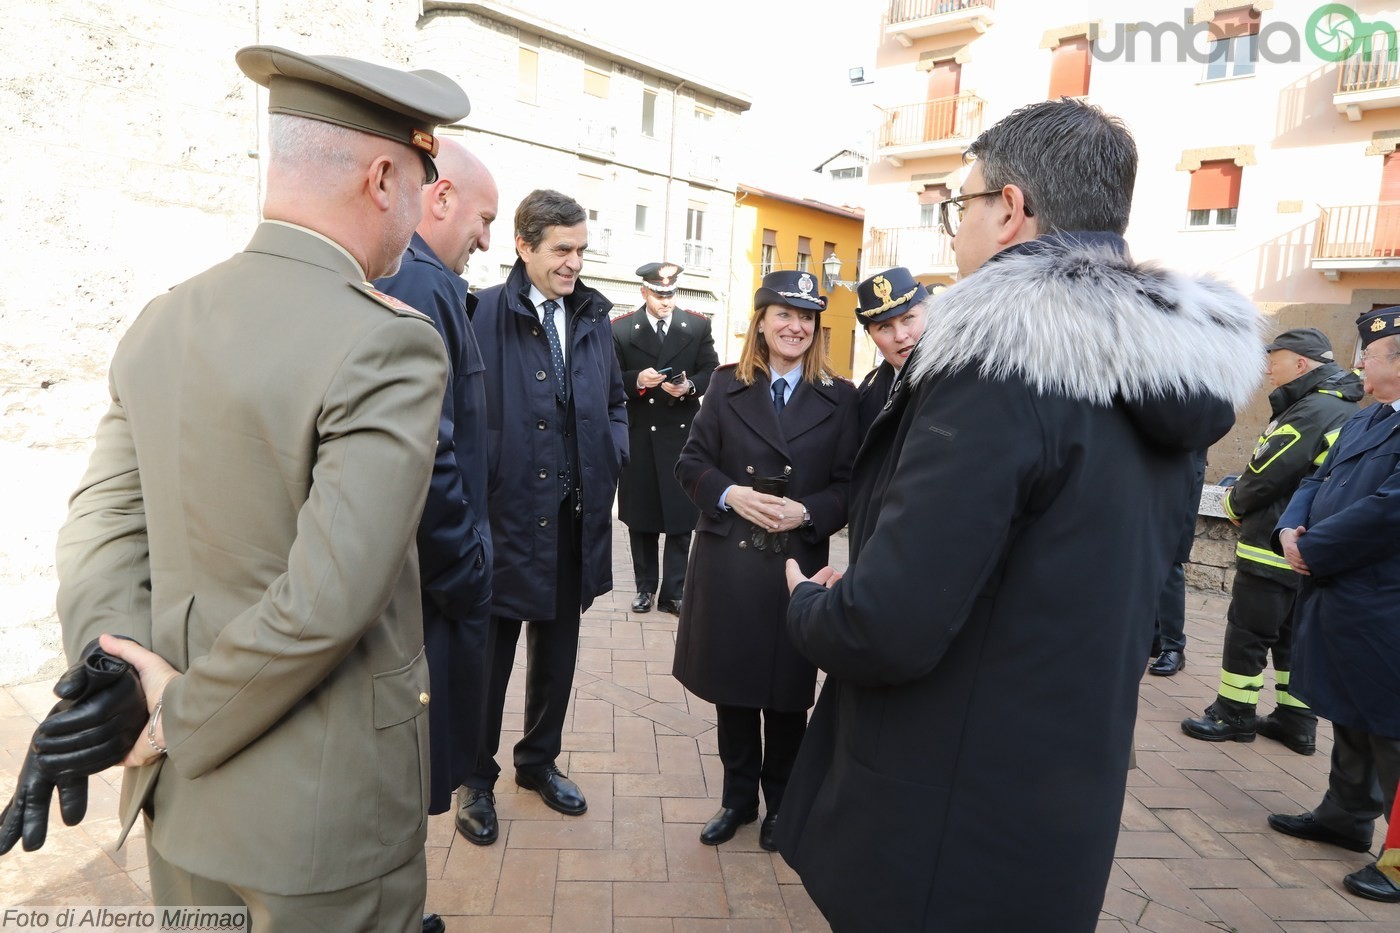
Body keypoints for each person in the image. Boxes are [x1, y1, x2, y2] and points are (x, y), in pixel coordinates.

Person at [775, 99, 1264, 930]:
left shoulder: (1000, 365)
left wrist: (811, 603)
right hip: (1056, 804)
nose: (952, 227)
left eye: (958, 204)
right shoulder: (1174, 379)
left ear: (1009, 210)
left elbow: (887, 626)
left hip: (939, 815)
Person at [50, 45, 470, 932]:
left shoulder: (163, 319)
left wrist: (115, 665)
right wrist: (176, 714)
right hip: (320, 829)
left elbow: (99, 527)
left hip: (181, 805)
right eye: (421, 180)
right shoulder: (387, 340)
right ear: (385, 175)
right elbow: (328, 599)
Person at [672, 270, 859, 852]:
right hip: (731, 559)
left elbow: (852, 485)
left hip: (792, 565)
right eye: (783, 314)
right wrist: (733, 494)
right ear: (762, 321)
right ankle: (736, 800)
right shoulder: (726, 386)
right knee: (734, 685)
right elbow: (691, 463)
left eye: (806, 318)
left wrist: (806, 513)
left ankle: (782, 801)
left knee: (785, 692)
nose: (795, 326)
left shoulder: (841, 396)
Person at [467, 189, 628, 833]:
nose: (574, 264)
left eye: (582, 250)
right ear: (523, 246)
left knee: (557, 655)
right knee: (488, 662)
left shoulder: (590, 316)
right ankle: (474, 780)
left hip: (573, 519)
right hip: (503, 522)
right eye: (562, 250)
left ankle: (538, 762)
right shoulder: (479, 312)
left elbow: (615, 401)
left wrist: (610, 453)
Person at [373, 140, 499, 847]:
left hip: (426, 582)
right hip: (432, 590)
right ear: (441, 197)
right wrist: (468, 569)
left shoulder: (419, 275)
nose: (486, 237)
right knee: (408, 770)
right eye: (483, 217)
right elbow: (431, 453)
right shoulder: (424, 283)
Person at [1268, 307, 1400, 905]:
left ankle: (1398, 860)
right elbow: (1315, 481)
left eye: (1369, 356)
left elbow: (1388, 510)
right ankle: (1346, 817)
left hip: (1383, 601)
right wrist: (1293, 532)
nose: (1358, 365)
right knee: (1351, 711)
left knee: (1389, 729)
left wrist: (1313, 549)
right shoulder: (1366, 420)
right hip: (1343, 594)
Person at [1181, 328, 1361, 745]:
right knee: (1291, 634)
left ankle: (1233, 714)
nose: (1267, 369)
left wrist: (1233, 504)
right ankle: (1297, 721)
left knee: (1248, 630)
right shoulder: (1346, 410)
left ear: (1301, 364)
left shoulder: (1311, 411)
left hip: (1272, 543)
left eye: (1274, 360)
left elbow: (1266, 473)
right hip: (1311, 546)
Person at [612, 261, 719, 615]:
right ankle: (645, 588)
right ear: (644, 292)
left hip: (681, 436)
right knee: (640, 516)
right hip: (640, 434)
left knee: (680, 516)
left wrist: (689, 387)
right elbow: (610, 376)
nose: (666, 301)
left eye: (671, 294)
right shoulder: (623, 329)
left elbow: (709, 371)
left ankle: (673, 591)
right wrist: (638, 381)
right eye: (659, 294)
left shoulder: (698, 325)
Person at [1147, 447, 1208, 677]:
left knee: (1172, 558)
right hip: (1153, 467)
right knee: (1146, 554)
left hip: (1185, 466)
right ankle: (1154, 638)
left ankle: (1173, 646)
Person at [854, 266, 928, 437]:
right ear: (870, 335)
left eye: (908, 318)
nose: (900, 336)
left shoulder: (963, 380)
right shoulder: (864, 394)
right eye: (884, 327)